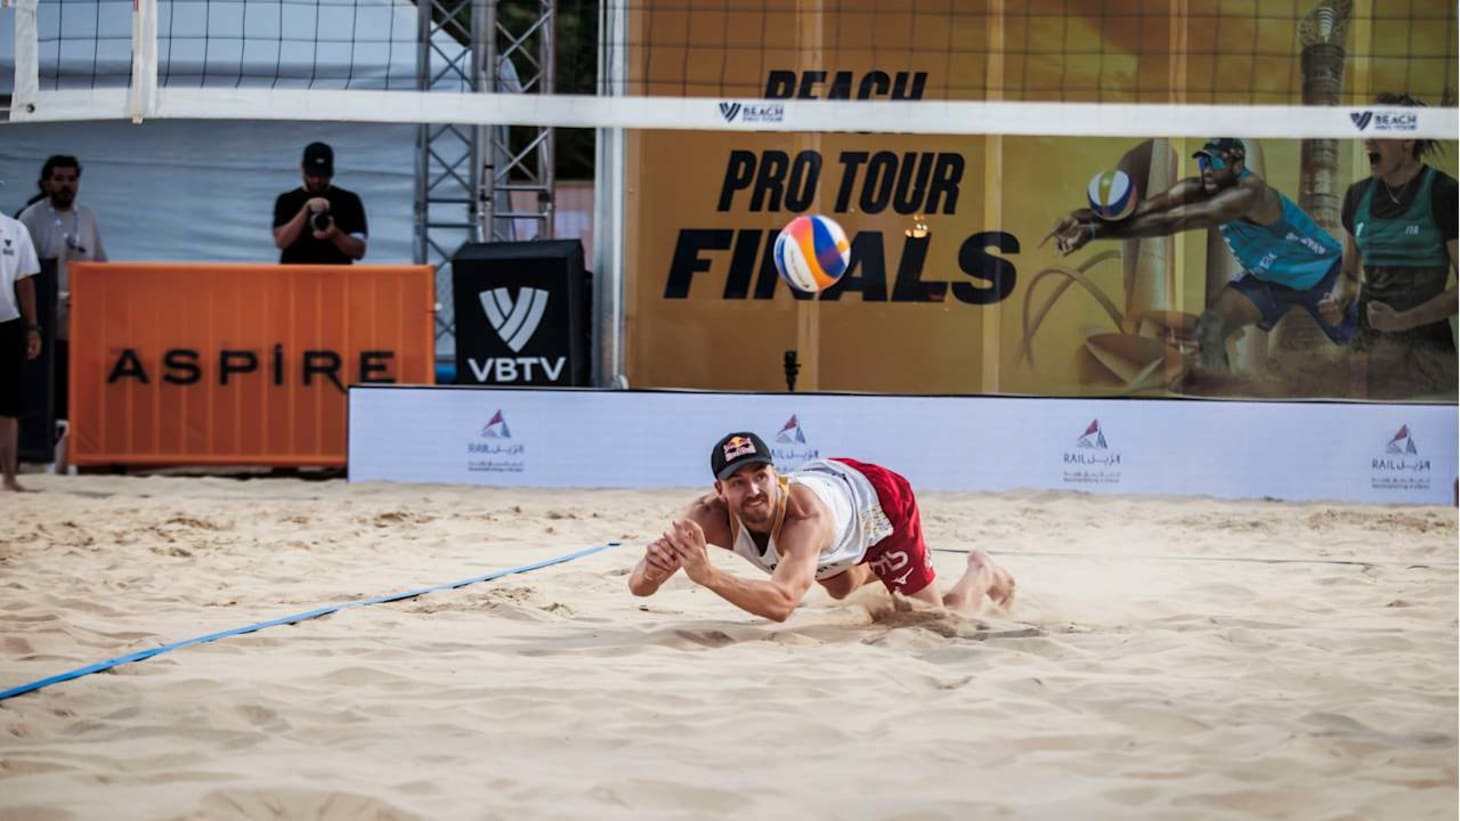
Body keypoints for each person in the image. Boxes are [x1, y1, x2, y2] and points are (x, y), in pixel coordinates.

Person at [628, 432, 1015, 622]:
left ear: (776, 476)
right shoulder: (704, 516)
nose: (754, 490)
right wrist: (652, 568)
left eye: (761, 476)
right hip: (836, 503)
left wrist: (709, 576)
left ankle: (981, 571)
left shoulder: (803, 519)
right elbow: (638, 587)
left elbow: (782, 605)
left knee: (933, 621)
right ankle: (877, 570)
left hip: (879, 505)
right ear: (719, 491)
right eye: (738, 482)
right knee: (840, 587)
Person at [1047, 138, 1355, 370]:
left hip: (1319, 273)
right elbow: (1147, 209)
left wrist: (1093, 233)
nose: (1207, 169)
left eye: (1216, 162)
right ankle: (1220, 398)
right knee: (1211, 327)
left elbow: (1171, 222)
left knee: (1355, 344)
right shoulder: (1205, 185)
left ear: (1237, 166)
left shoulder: (1248, 193)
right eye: (1203, 162)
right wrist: (1081, 217)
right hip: (1269, 278)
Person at [1320, 92, 1458, 399]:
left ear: (1407, 138)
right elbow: (1349, 276)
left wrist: (1402, 321)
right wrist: (1338, 300)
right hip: (1369, 357)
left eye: (1377, 130)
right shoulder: (1357, 196)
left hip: (1428, 360)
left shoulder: (1445, 192)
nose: (1367, 140)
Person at [18, 155, 108, 432]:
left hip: (80, 321)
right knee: (45, 387)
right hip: (43, 320)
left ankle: (70, 440)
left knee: (75, 385)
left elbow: (101, 266)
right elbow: (21, 273)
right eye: (59, 179)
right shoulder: (31, 218)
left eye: (71, 179)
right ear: (47, 183)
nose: (66, 185)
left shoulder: (87, 216)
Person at [272, 142, 369, 265]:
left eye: (322, 175)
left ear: (331, 172)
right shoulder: (286, 200)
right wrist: (305, 210)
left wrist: (334, 234)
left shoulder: (349, 200)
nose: (316, 180)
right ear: (302, 167)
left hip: (336, 273)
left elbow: (359, 251)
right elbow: (281, 242)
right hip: (296, 274)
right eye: (311, 174)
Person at [0, 210, 42, 491]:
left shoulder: (14, 229)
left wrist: (32, 327)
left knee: (8, 404)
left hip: (6, 323)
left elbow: (24, 280)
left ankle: (9, 476)